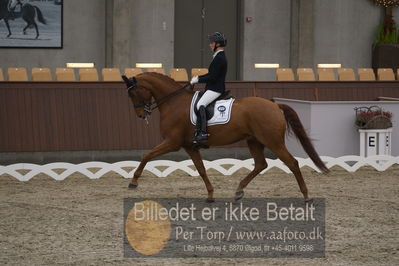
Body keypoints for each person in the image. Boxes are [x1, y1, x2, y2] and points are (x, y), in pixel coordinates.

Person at [190, 32, 228, 144]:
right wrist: (198, 77)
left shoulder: (220, 58)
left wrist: (198, 80)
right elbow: (211, 74)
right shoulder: (218, 57)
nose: (210, 45)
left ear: (217, 44)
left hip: (216, 89)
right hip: (213, 87)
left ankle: (203, 133)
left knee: (200, 104)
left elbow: (212, 77)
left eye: (212, 43)